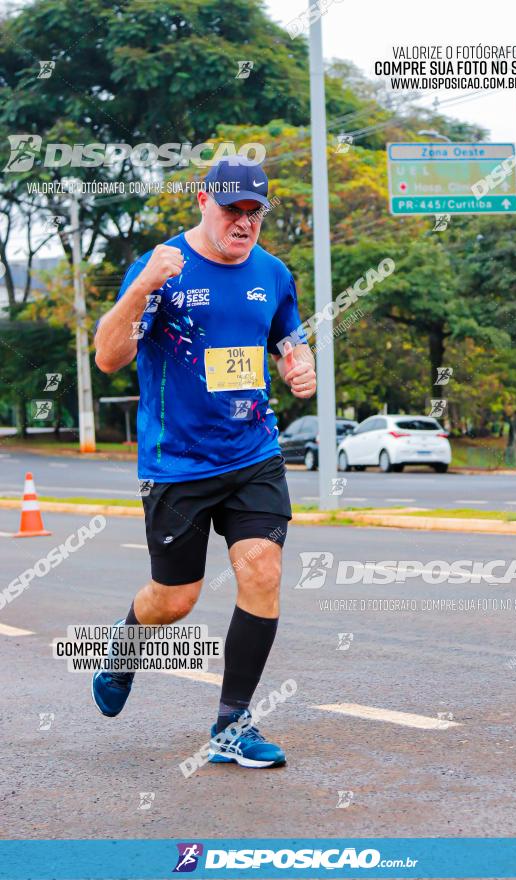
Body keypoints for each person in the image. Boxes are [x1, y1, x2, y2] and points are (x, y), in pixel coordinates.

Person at [92, 157, 316, 768]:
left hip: (254, 455)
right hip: (178, 466)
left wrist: (300, 363)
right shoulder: (160, 267)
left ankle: (231, 724)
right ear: (202, 201)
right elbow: (109, 357)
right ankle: (124, 644)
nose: (243, 223)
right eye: (231, 210)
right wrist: (140, 288)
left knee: (263, 572)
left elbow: (286, 336)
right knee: (176, 598)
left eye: (254, 212)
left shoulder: (272, 273)